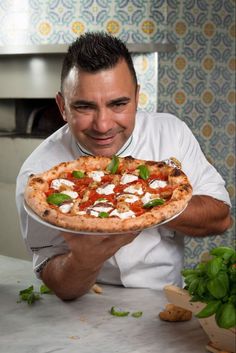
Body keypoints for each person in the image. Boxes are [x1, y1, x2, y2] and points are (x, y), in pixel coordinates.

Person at [16, 32, 231, 301]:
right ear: (62, 106)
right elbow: (56, 281)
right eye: (84, 107)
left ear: (137, 96)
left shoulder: (171, 132)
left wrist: (149, 202)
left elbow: (221, 218)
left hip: (166, 298)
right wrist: (83, 261)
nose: (103, 125)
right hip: (87, 304)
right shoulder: (38, 175)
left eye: (118, 104)